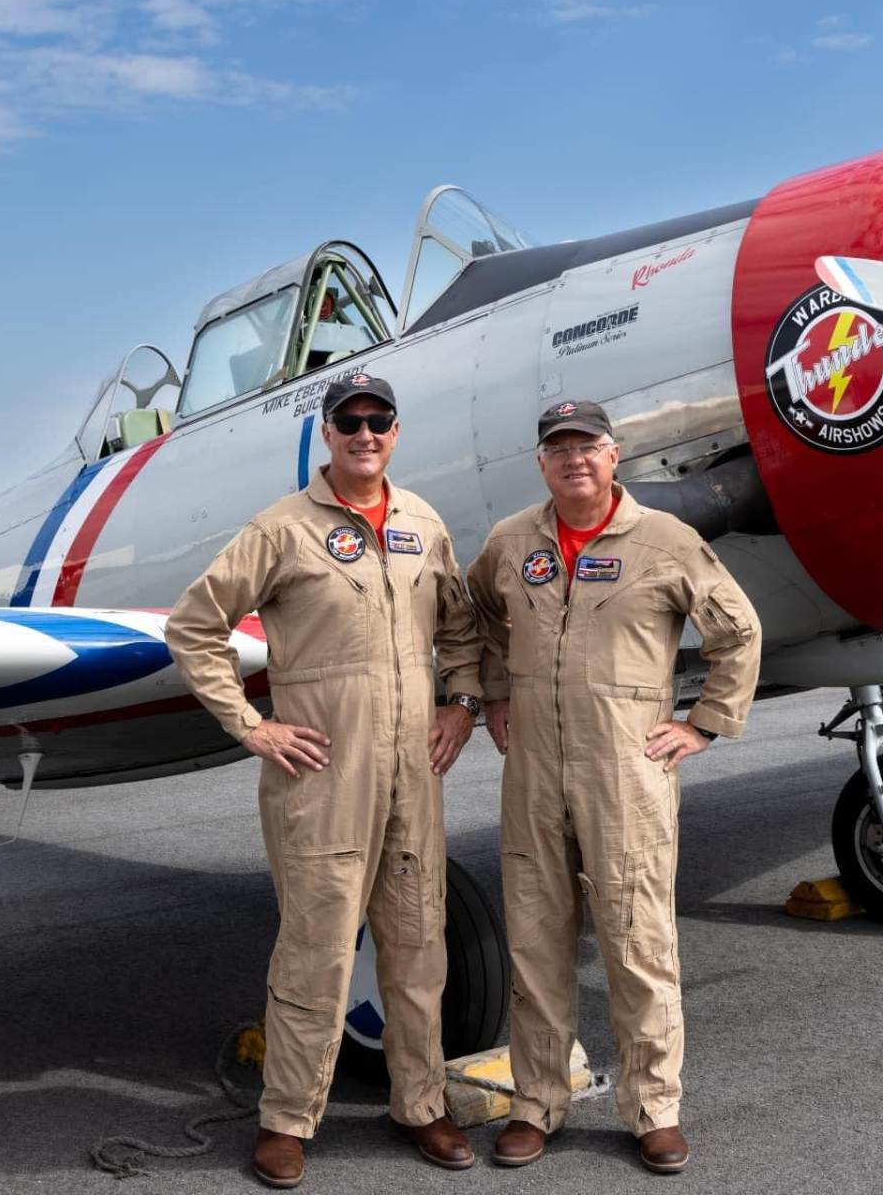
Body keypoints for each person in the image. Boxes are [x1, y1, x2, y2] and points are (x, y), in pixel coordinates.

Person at [165, 373, 487, 1189]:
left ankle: (422, 1104)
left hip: (415, 771)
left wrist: (462, 703)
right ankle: (286, 1119)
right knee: (315, 953)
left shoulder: (422, 523)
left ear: (396, 431)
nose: (365, 434)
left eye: (379, 420)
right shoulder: (281, 529)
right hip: (322, 775)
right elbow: (194, 628)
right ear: (328, 433)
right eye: (350, 421)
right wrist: (251, 724)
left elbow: (458, 627)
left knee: (418, 947)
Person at [466, 399, 761, 1175]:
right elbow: (478, 617)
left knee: (638, 943)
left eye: (587, 446)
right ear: (541, 463)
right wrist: (494, 690)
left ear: (613, 454)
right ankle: (536, 1105)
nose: (573, 460)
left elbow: (737, 629)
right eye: (557, 448)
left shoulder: (665, 540)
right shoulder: (511, 543)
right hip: (531, 767)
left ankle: (653, 1109)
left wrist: (704, 722)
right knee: (535, 942)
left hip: (626, 768)